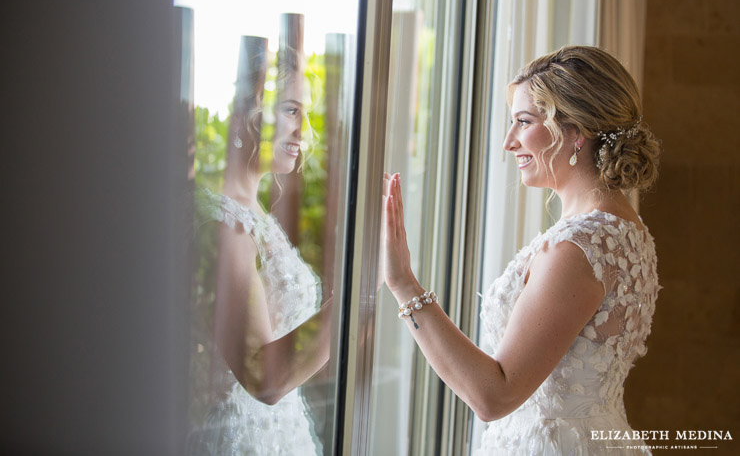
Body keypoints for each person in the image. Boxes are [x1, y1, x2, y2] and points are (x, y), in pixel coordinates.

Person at [382, 45, 661, 455]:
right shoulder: (626, 229)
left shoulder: (576, 248)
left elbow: (494, 395)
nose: (509, 142)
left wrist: (403, 283)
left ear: (575, 131)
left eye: (523, 122)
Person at [186, 33, 331, 455]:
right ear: (248, 110)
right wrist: (357, 298)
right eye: (291, 111)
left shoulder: (255, 215)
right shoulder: (223, 225)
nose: (305, 131)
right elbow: (260, 377)